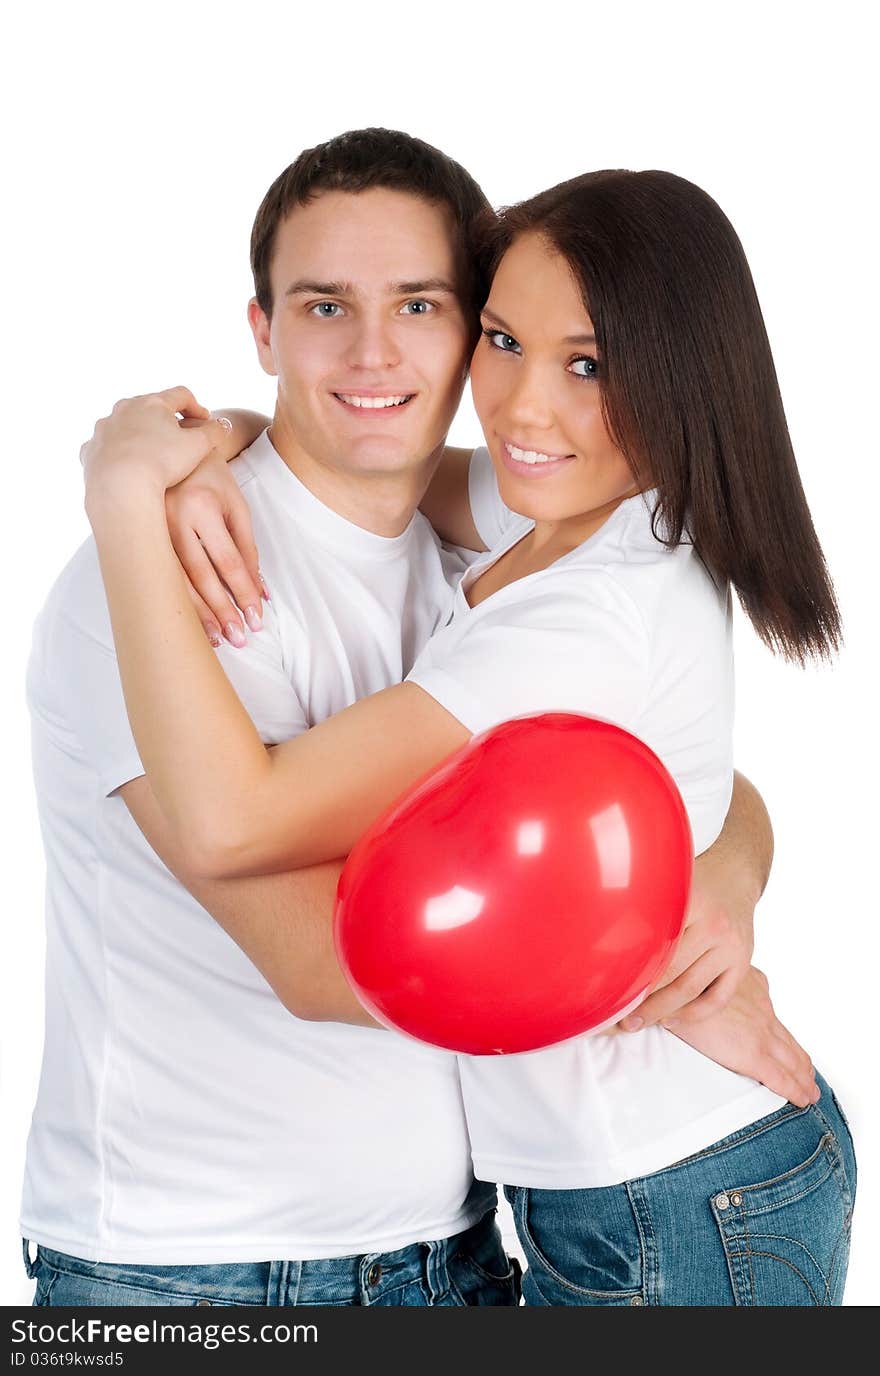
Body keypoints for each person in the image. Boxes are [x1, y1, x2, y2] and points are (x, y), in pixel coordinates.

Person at [78, 165, 851, 1305]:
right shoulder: (585, 510)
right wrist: (213, 449)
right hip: (606, 1180)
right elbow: (387, 463)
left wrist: (121, 503)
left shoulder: (585, 607)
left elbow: (236, 820)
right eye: (502, 339)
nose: (524, 409)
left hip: (674, 1183)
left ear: (683, 379)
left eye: (587, 364)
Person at [21, 129, 520, 1309]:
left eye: (417, 303)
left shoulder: (480, 570)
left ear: (473, 336)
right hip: (182, 1275)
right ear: (262, 329)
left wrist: (734, 866)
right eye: (322, 305)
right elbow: (326, 957)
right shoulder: (152, 573)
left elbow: (671, 736)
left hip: (452, 1250)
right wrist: (640, 927)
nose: (372, 349)